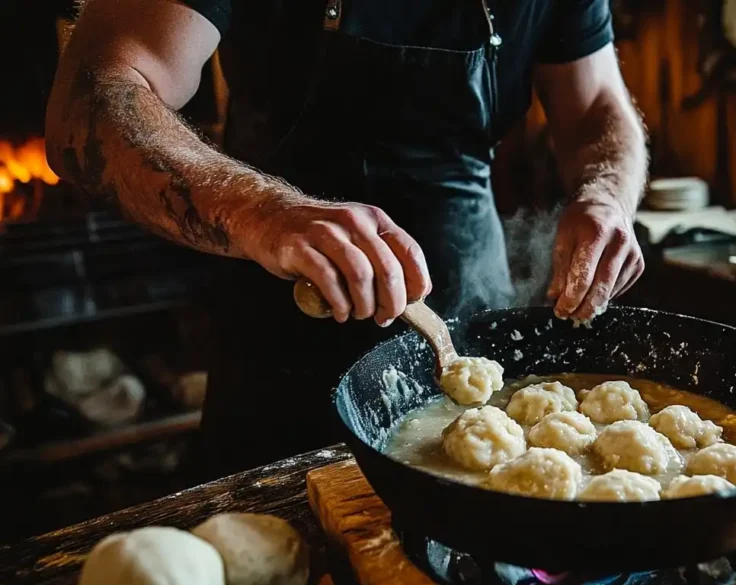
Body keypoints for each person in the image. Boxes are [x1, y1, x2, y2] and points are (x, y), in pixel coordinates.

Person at [45, 0, 648, 474]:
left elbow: (596, 104)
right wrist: (265, 210)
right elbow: (94, 96)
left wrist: (606, 194)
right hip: (277, 333)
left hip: (467, 316)